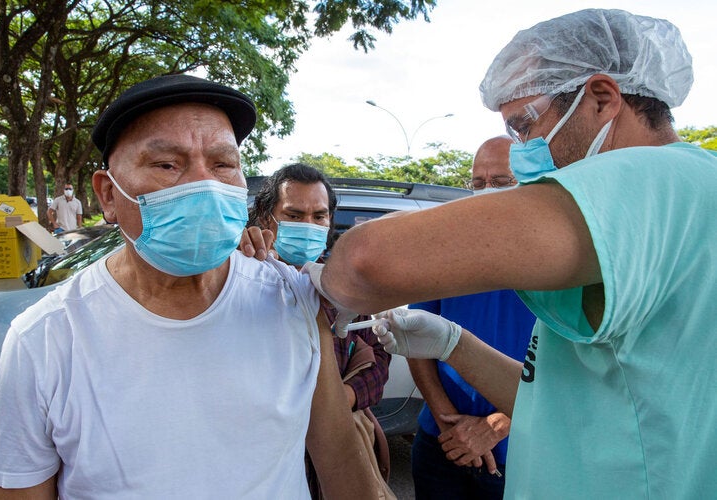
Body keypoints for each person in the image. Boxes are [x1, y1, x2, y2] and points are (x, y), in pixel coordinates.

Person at [306, 9, 717, 498]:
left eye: (525, 125)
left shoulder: (647, 178)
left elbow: (367, 260)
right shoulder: (680, 194)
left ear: (603, 99)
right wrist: (451, 343)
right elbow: (557, 401)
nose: (522, 148)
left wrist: (325, 280)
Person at [0, 74, 379, 499]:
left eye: (223, 165)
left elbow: (339, 458)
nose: (203, 184)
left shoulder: (292, 300)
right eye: (167, 165)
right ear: (107, 195)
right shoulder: (44, 339)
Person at [248, 163, 394, 498]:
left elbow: (380, 360)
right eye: (294, 215)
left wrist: (342, 398)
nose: (308, 226)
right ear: (266, 217)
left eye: (319, 216)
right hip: (266, 463)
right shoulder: (242, 279)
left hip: (330, 463)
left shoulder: (342, 288)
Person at [408, 136, 535, 499]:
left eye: (501, 181)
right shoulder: (446, 251)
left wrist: (495, 427)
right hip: (440, 442)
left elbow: (575, 366)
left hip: (519, 451)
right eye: (478, 184)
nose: (487, 191)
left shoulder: (558, 259)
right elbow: (418, 341)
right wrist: (449, 423)